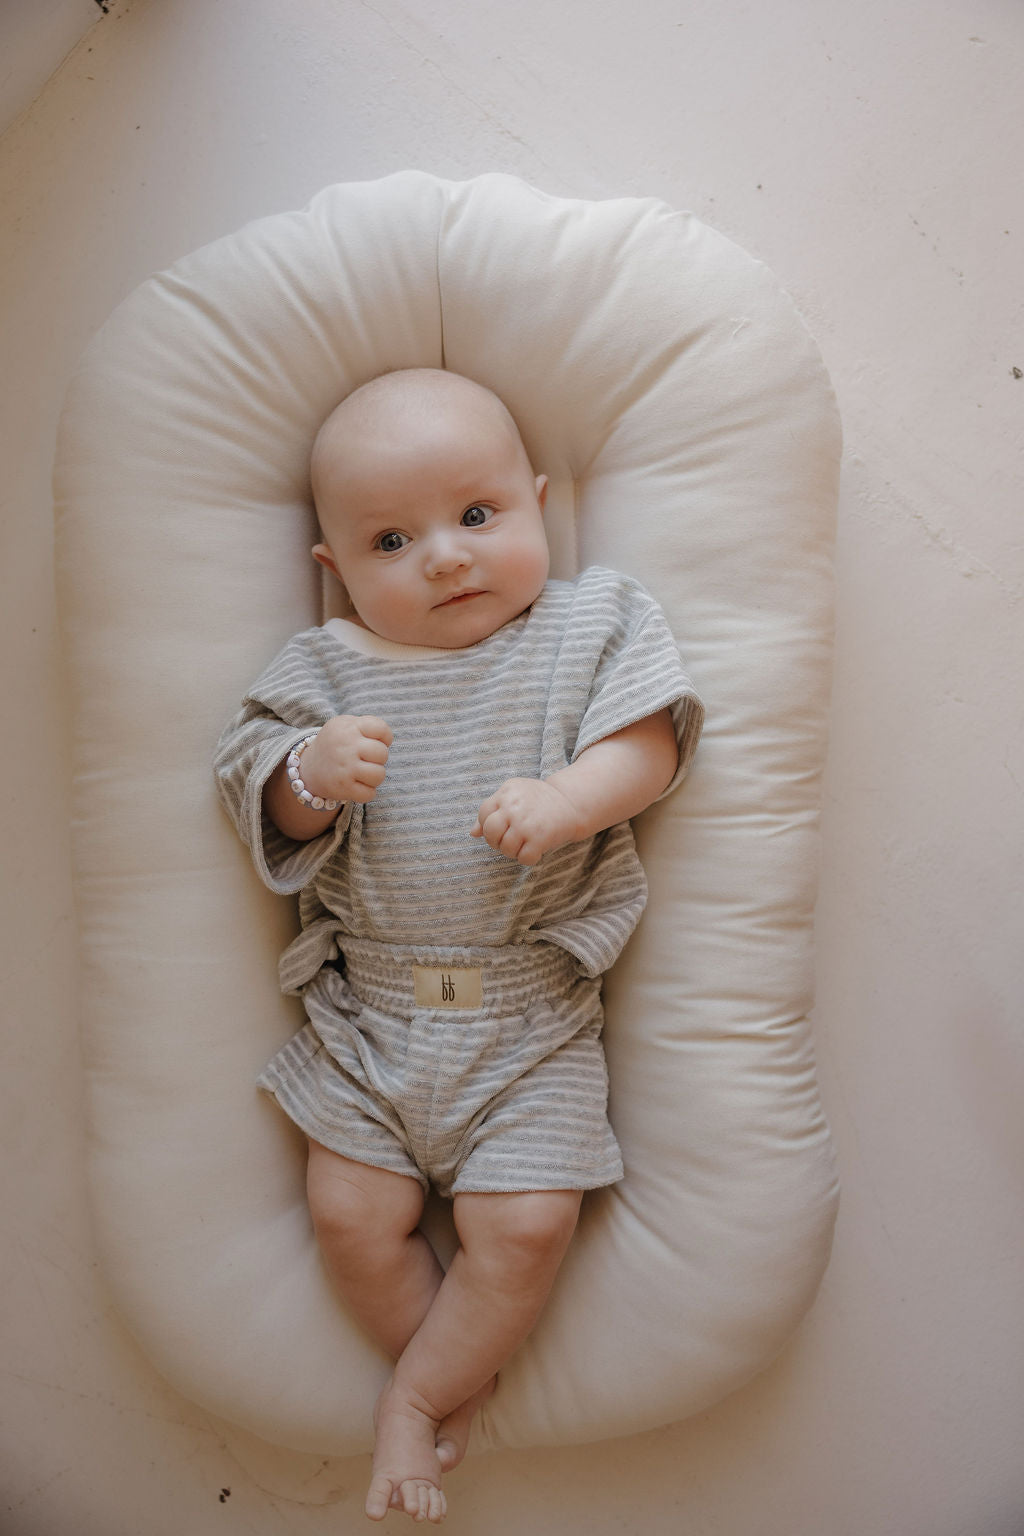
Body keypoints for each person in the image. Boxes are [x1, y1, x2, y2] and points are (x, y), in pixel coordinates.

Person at [214, 368, 703, 1523]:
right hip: (365, 1018)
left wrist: (572, 800)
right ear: (335, 567)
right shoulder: (323, 670)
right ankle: (444, 1378)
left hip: (531, 1018)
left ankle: (414, 1400)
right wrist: (307, 776)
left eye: (478, 515)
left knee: (525, 1224)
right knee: (350, 1215)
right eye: (392, 540)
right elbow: (252, 792)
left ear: (539, 502)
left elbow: (653, 743)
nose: (444, 558)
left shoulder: (585, 626)